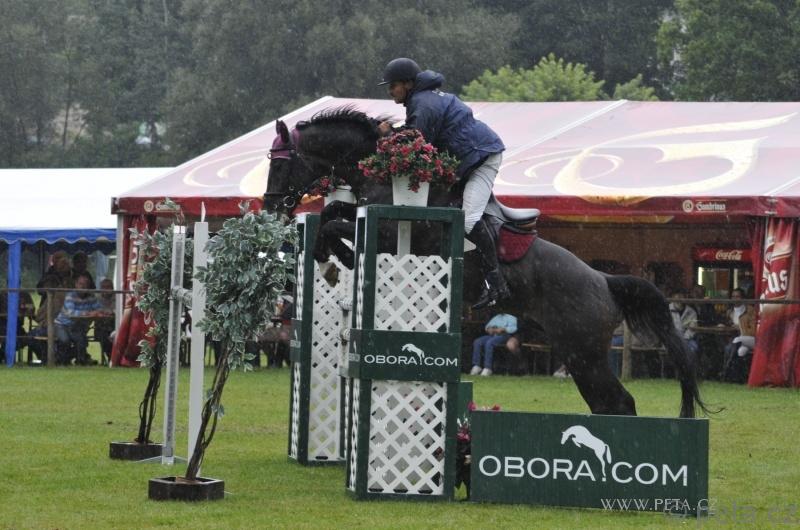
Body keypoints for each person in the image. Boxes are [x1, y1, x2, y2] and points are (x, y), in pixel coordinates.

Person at [377, 58, 508, 309]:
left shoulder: (422, 102)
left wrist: (388, 134)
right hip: (471, 157)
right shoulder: (422, 98)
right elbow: (414, 134)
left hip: (482, 158)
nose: (390, 91)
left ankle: (496, 284)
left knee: (468, 220)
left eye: (393, 85)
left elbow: (416, 144)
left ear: (407, 84)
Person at [54, 273, 110, 365]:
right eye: (81, 284)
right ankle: (60, 360)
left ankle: (81, 361)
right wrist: (89, 313)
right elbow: (71, 313)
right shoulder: (70, 296)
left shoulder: (91, 297)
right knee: (65, 341)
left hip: (77, 326)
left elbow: (100, 308)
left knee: (82, 341)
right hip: (62, 324)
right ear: (76, 284)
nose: (83, 287)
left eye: (86, 284)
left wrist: (99, 312)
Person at [722, 288, 756, 383]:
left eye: (737, 296)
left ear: (742, 298)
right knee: (741, 351)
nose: (735, 299)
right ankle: (737, 378)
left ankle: (725, 372)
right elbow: (727, 325)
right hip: (735, 339)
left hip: (749, 338)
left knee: (734, 343)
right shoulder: (729, 312)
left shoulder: (750, 310)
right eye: (733, 296)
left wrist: (740, 328)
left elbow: (754, 330)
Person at [669, 290, 699, 355]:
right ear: (672, 297)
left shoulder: (691, 312)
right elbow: (666, 327)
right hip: (671, 339)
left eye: (681, 296)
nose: (679, 298)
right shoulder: (667, 309)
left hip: (687, 340)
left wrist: (684, 339)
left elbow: (692, 329)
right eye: (676, 296)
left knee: (693, 347)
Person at [94, 278, 116, 363]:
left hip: (114, 325)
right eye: (104, 287)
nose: (106, 290)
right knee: (104, 337)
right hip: (100, 327)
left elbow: (116, 310)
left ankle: (114, 358)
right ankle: (110, 357)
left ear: (112, 288)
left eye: (108, 287)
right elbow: (95, 310)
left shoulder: (118, 297)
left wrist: (111, 312)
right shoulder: (96, 298)